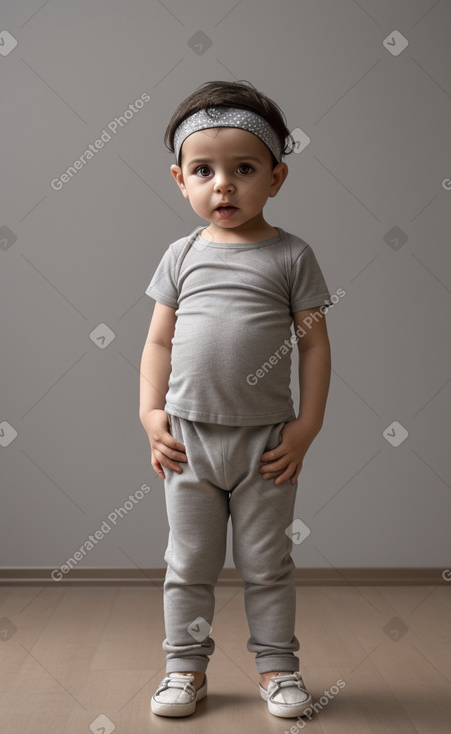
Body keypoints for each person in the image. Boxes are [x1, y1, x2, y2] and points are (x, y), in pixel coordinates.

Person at [139, 80, 331, 719]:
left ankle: (279, 668)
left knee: (267, 563)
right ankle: (183, 670)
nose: (223, 185)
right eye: (205, 170)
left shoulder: (291, 256)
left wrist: (305, 428)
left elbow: (312, 348)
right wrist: (149, 414)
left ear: (275, 178)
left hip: (266, 443)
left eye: (243, 169)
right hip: (188, 440)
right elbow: (159, 343)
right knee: (187, 564)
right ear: (180, 179)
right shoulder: (180, 255)